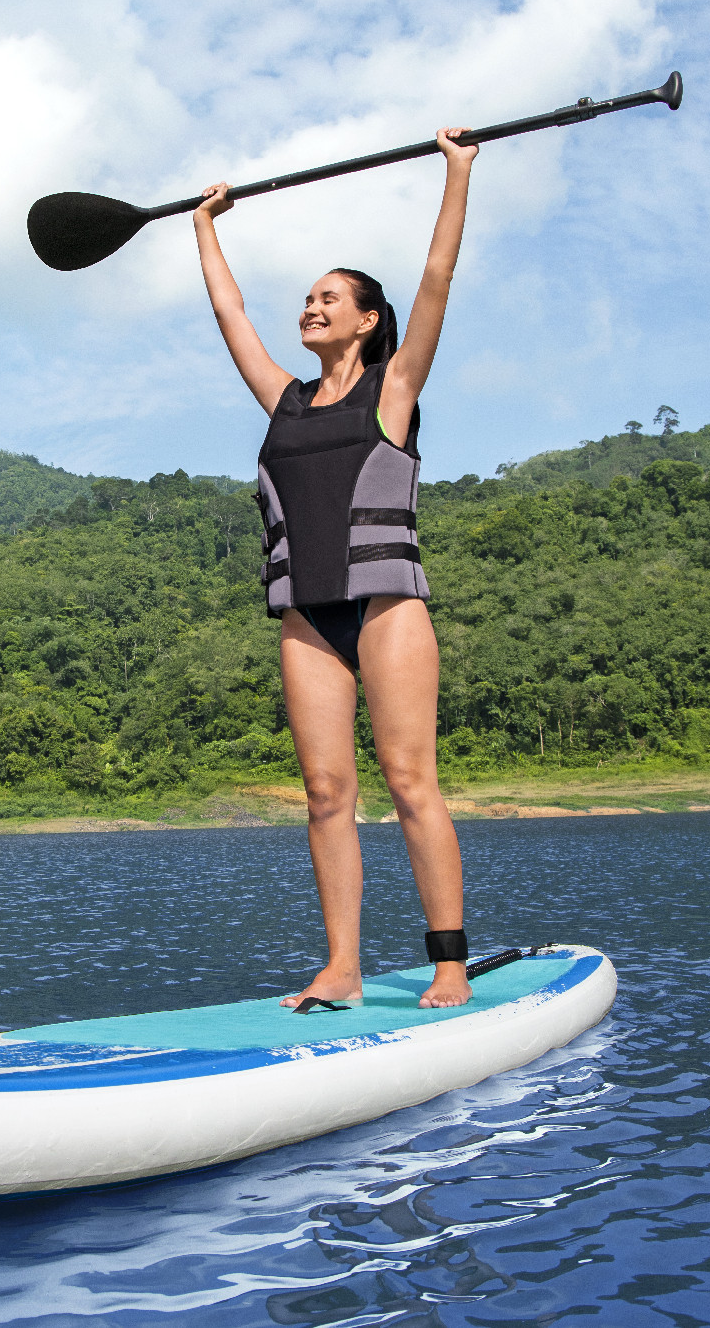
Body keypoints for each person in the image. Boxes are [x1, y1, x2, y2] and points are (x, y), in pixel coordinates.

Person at [193, 127, 478, 1011]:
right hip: (306, 617)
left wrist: (456, 172)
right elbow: (229, 315)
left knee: (409, 782)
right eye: (306, 299)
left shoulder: (393, 389)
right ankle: (341, 968)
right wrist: (204, 225)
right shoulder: (281, 400)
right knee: (324, 793)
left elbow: (435, 279)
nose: (310, 308)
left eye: (329, 298)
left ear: (365, 319)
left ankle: (448, 963)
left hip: (386, 606)